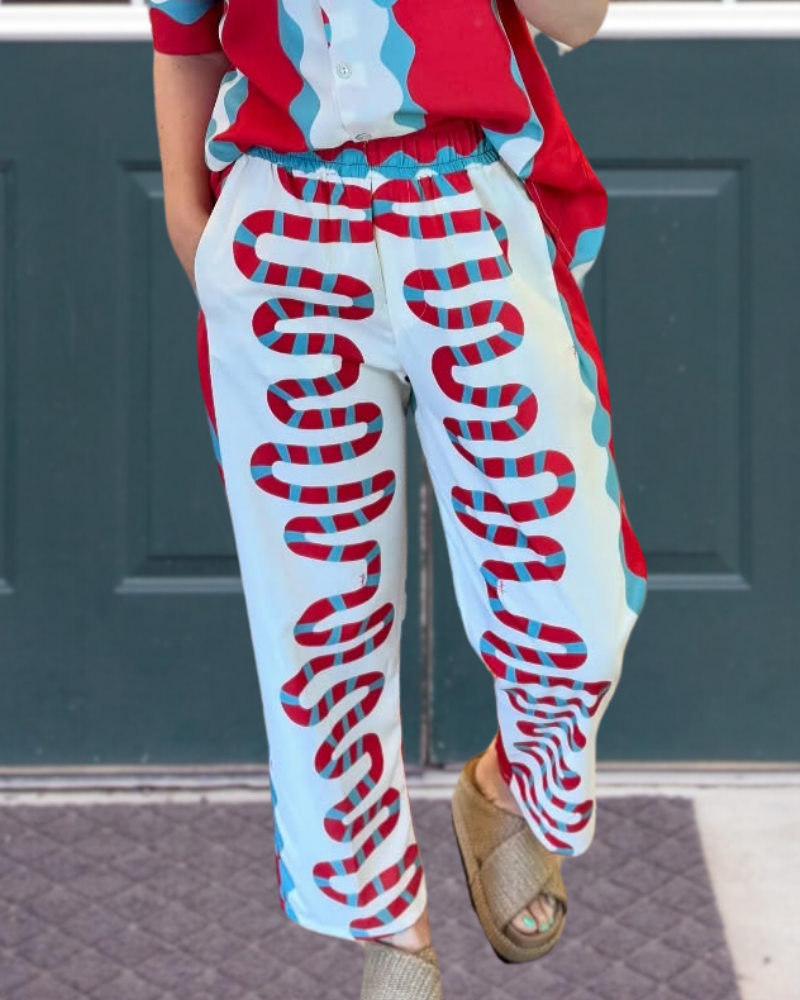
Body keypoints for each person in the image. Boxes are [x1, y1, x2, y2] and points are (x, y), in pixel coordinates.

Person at [146, 0, 648, 996]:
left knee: (577, 595)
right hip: (283, 220)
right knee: (316, 620)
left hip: (461, 196)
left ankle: (512, 783)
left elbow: (580, 19)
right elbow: (183, 25)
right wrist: (186, 217)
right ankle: (386, 914)